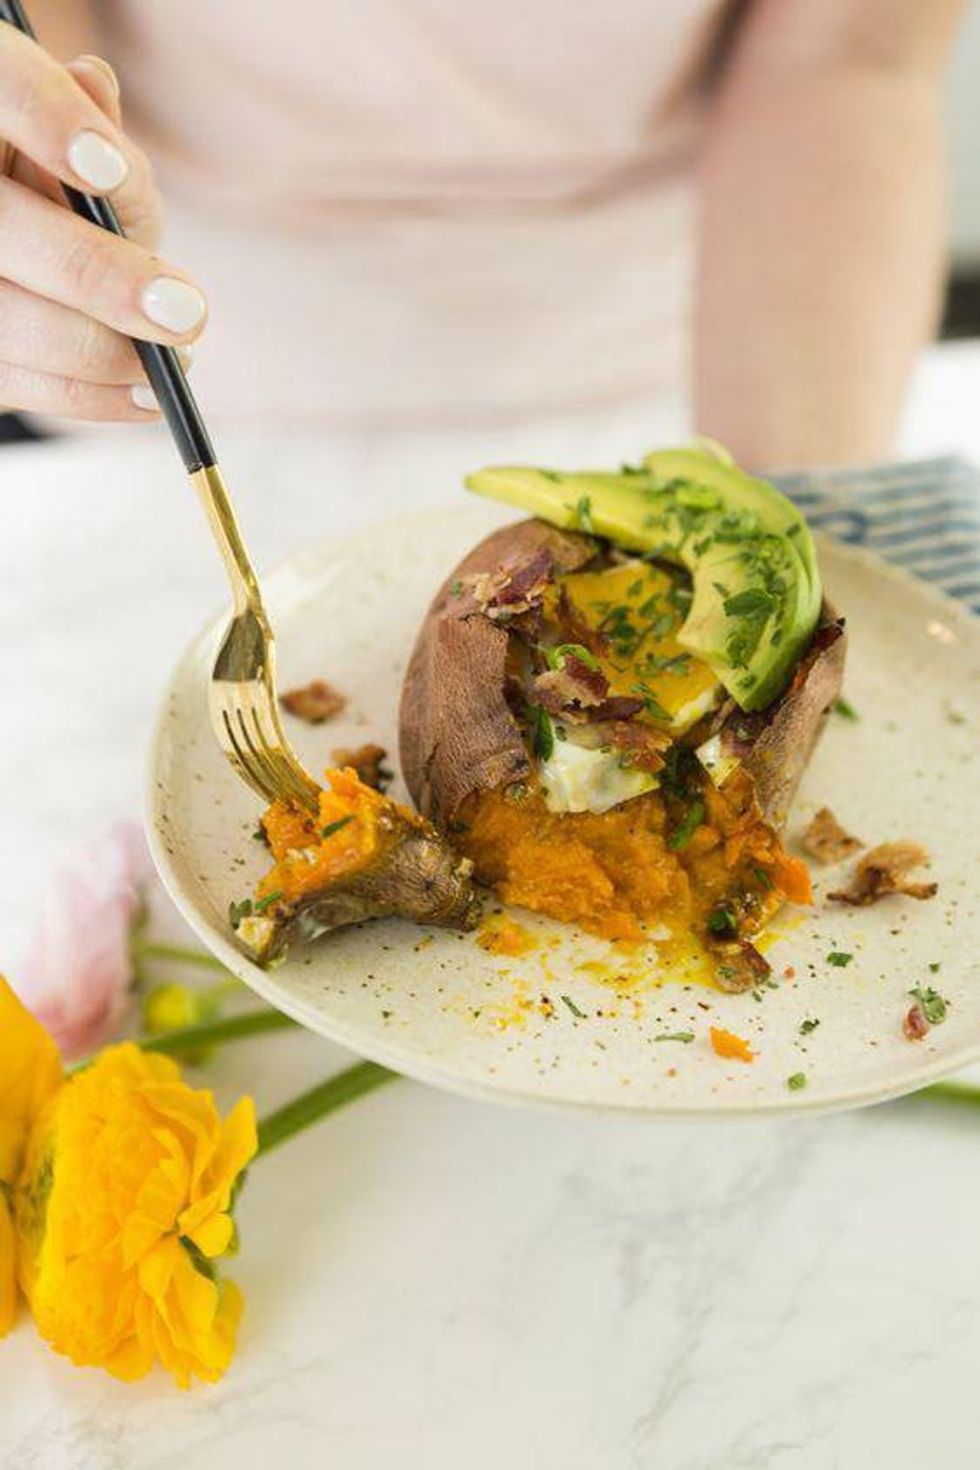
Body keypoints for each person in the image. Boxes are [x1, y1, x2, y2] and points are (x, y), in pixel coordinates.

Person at [0, 0, 966, 465]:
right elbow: (54, 35)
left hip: (702, 355)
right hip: (165, 367)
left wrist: (784, 520)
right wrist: (44, 132)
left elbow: (847, 60)